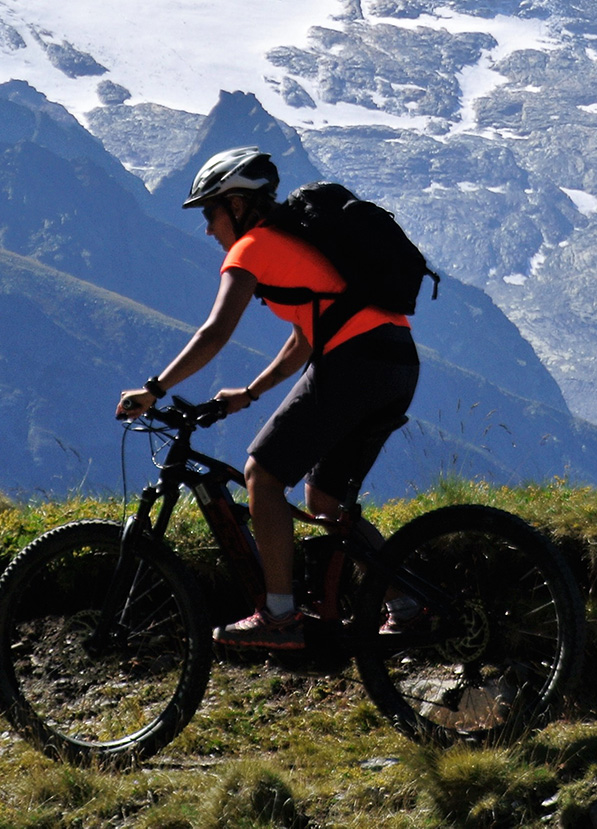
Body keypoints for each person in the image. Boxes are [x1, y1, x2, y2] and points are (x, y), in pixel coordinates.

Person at [115, 146, 420, 651]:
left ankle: (278, 615)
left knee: (262, 473)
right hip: (394, 362)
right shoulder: (291, 244)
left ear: (236, 206)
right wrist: (251, 393)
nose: (208, 229)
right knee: (323, 500)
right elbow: (306, 338)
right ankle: (408, 604)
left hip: (355, 364)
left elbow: (215, 333)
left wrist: (154, 389)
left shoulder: (252, 247)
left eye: (211, 213)